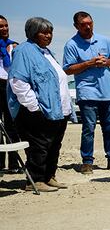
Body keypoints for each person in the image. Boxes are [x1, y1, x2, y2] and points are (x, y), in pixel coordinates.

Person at [7, 17, 72, 192]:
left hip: (57, 110)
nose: (48, 36)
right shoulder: (24, 51)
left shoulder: (47, 52)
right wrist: (34, 107)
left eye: (50, 32)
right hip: (36, 111)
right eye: (44, 32)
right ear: (33, 33)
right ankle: (35, 180)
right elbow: (18, 82)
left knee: (53, 145)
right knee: (39, 146)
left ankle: (49, 176)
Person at [63, 11, 110, 175]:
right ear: (76, 26)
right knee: (88, 128)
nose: (88, 26)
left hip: (106, 93)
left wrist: (106, 62)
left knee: (109, 128)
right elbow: (68, 69)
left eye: (90, 23)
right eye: (83, 24)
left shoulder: (104, 40)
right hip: (87, 93)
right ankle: (87, 161)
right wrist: (89, 63)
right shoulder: (71, 45)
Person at [0, 15, 21, 174]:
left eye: (6, 25)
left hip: (10, 86)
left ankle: (14, 164)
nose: (5, 29)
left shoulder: (15, 46)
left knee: (12, 126)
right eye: (1, 26)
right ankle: (0, 165)